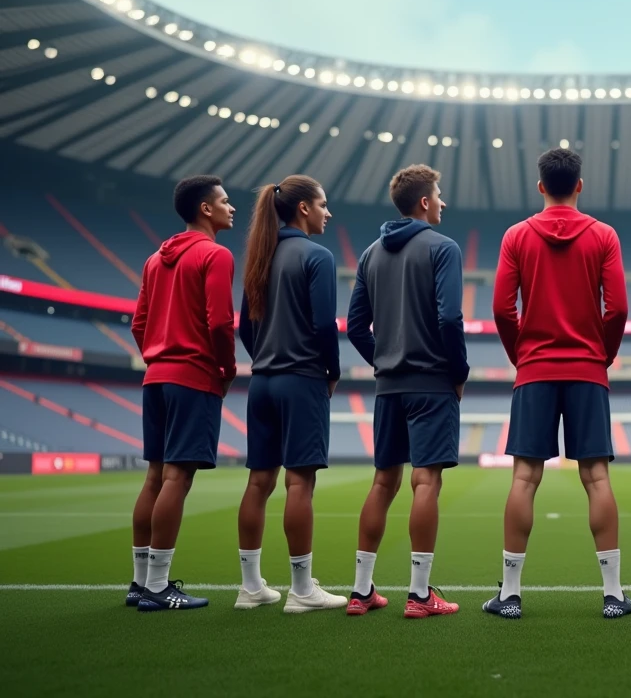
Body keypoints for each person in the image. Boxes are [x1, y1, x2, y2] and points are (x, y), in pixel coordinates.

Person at [486, 147, 631, 620]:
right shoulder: (604, 235)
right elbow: (618, 308)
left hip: (535, 370)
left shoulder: (516, 236)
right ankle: (613, 595)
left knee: (524, 478)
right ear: (579, 186)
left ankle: (510, 595)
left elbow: (501, 308)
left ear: (541, 187)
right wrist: (602, 355)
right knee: (597, 478)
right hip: (588, 369)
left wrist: (522, 355)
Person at [346, 165, 467, 619]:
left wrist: (383, 359)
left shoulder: (370, 253)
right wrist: (458, 371)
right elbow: (449, 318)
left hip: (388, 386)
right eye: (439, 195)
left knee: (383, 482)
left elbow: (355, 326)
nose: (443, 203)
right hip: (432, 382)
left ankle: (361, 591)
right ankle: (419, 595)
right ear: (424, 202)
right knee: (426, 481)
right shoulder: (443, 247)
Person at [234, 175, 346, 613]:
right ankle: (301, 591)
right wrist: (332, 371)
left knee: (258, 482)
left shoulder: (260, 256)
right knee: (300, 483)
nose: (327, 213)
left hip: (261, 382)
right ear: (303, 208)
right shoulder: (317, 256)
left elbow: (245, 328)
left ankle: (250, 588)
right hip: (301, 381)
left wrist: (267, 356)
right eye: (322, 205)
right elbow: (323, 325)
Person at [129, 175, 236, 611]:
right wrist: (226, 370)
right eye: (225, 201)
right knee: (177, 478)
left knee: (154, 476)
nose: (232, 207)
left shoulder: (155, 259)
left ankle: (140, 583)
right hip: (193, 377)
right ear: (205, 209)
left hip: (156, 377)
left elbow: (139, 323)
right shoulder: (216, 254)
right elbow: (220, 322)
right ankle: (158, 586)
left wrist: (159, 357)